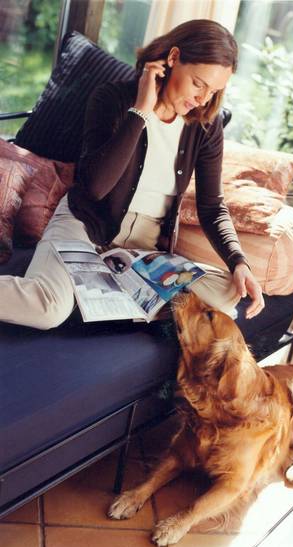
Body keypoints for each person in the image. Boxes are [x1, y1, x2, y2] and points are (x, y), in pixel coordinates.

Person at [0, 19, 264, 329]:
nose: (202, 99)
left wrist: (238, 261)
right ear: (174, 58)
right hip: (85, 228)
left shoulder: (207, 124)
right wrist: (140, 111)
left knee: (227, 294)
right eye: (198, 83)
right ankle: (91, 296)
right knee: (48, 309)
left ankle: (94, 293)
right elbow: (96, 187)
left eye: (214, 91)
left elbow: (211, 206)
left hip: (141, 255)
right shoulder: (112, 98)